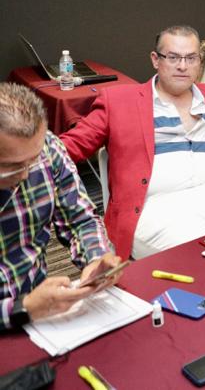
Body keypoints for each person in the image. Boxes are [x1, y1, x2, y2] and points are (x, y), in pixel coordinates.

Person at [60, 25, 205, 259]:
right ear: (155, 59)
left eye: (191, 58)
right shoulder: (120, 101)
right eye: (173, 58)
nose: (183, 66)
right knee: (200, 245)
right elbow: (72, 145)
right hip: (157, 211)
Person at [1, 83, 122, 330]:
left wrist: (96, 258)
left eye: (32, 160)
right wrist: (22, 308)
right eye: (12, 166)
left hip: (39, 308)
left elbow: (80, 220)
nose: (25, 175)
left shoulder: (48, 147)